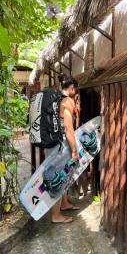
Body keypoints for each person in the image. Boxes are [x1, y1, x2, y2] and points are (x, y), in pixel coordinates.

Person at [45, 74, 80, 224]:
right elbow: (68, 127)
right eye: (75, 89)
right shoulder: (67, 101)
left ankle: (64, 204)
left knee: (62, 174)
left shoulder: (56, 99)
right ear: (72, 87)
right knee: (58, 177)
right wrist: (74, 149)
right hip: (59, 146)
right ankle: (56, 215)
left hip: (53, 144)